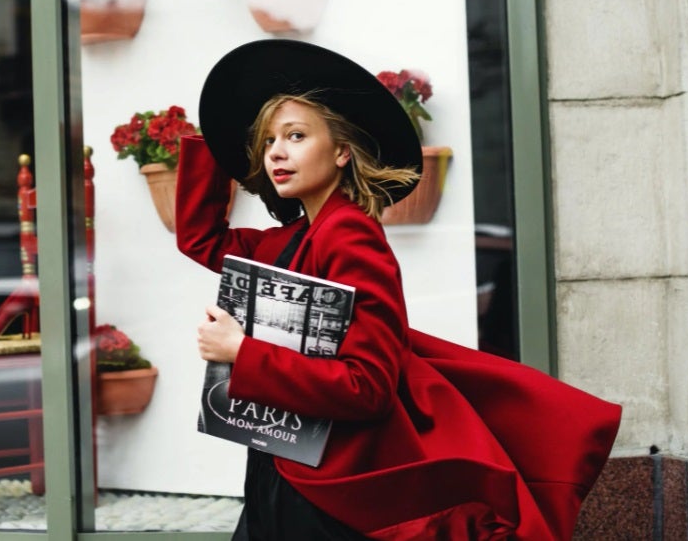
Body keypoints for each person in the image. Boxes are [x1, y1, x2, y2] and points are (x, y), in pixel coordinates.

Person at [176, 39, 622, 540]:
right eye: (268, 141)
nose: (276, 152)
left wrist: (241, 351)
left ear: (342, 151)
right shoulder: (293, 238)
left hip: (333, 487)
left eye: (297, 136)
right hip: (283, 462)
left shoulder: (350, 234)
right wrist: (212, 138)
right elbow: (201, 238)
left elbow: (367, 386)